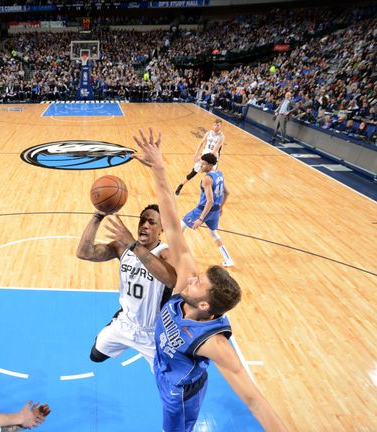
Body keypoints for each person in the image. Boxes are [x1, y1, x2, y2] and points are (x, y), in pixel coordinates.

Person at [131, 128, 286, 432]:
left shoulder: (214, 343)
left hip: (182, 393)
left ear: (204, 305)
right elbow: (173, 224)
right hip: (161, 367)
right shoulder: (188, 281)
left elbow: (255, 400)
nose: (189, 279)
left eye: (197, 283)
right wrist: (159, 168)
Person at [76, 205, 176, 369]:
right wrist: (97, 216)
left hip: (153, 332)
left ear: (162, 228)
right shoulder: (122, 248)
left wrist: (133, 244)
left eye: (151, 222)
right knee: (95, 356)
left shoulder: (166, 253)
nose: (144, 225)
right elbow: (84, 252)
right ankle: (116, 320)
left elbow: (171, 280)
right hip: (125, 324)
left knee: (166, 379)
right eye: (142, 220)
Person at [179, 153, 233, 267]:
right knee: (214, 234)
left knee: (180, 226)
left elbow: (210, 201)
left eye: (203, 164)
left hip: (203, 210)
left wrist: (200, 218)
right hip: (215, 211)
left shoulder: (207, 179)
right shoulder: (219, 174)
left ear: (209, 165)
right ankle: (228, 259)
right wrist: (220, 207)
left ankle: (175, 255)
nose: (200, 166)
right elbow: (227, 192)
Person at [174, 119, 225, 195]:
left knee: (211, 177)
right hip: (204, 157)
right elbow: (201, 143)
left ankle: (211, 192)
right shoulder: (208, 133)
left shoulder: (221, 137)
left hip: (212, 159)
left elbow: (214, 151)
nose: (216, 127)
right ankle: (180, 185)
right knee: (193, 172)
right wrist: (196, 154)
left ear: (220, 126)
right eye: (214, 125)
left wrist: (201, 158)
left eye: (218, 125)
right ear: (212, 125)